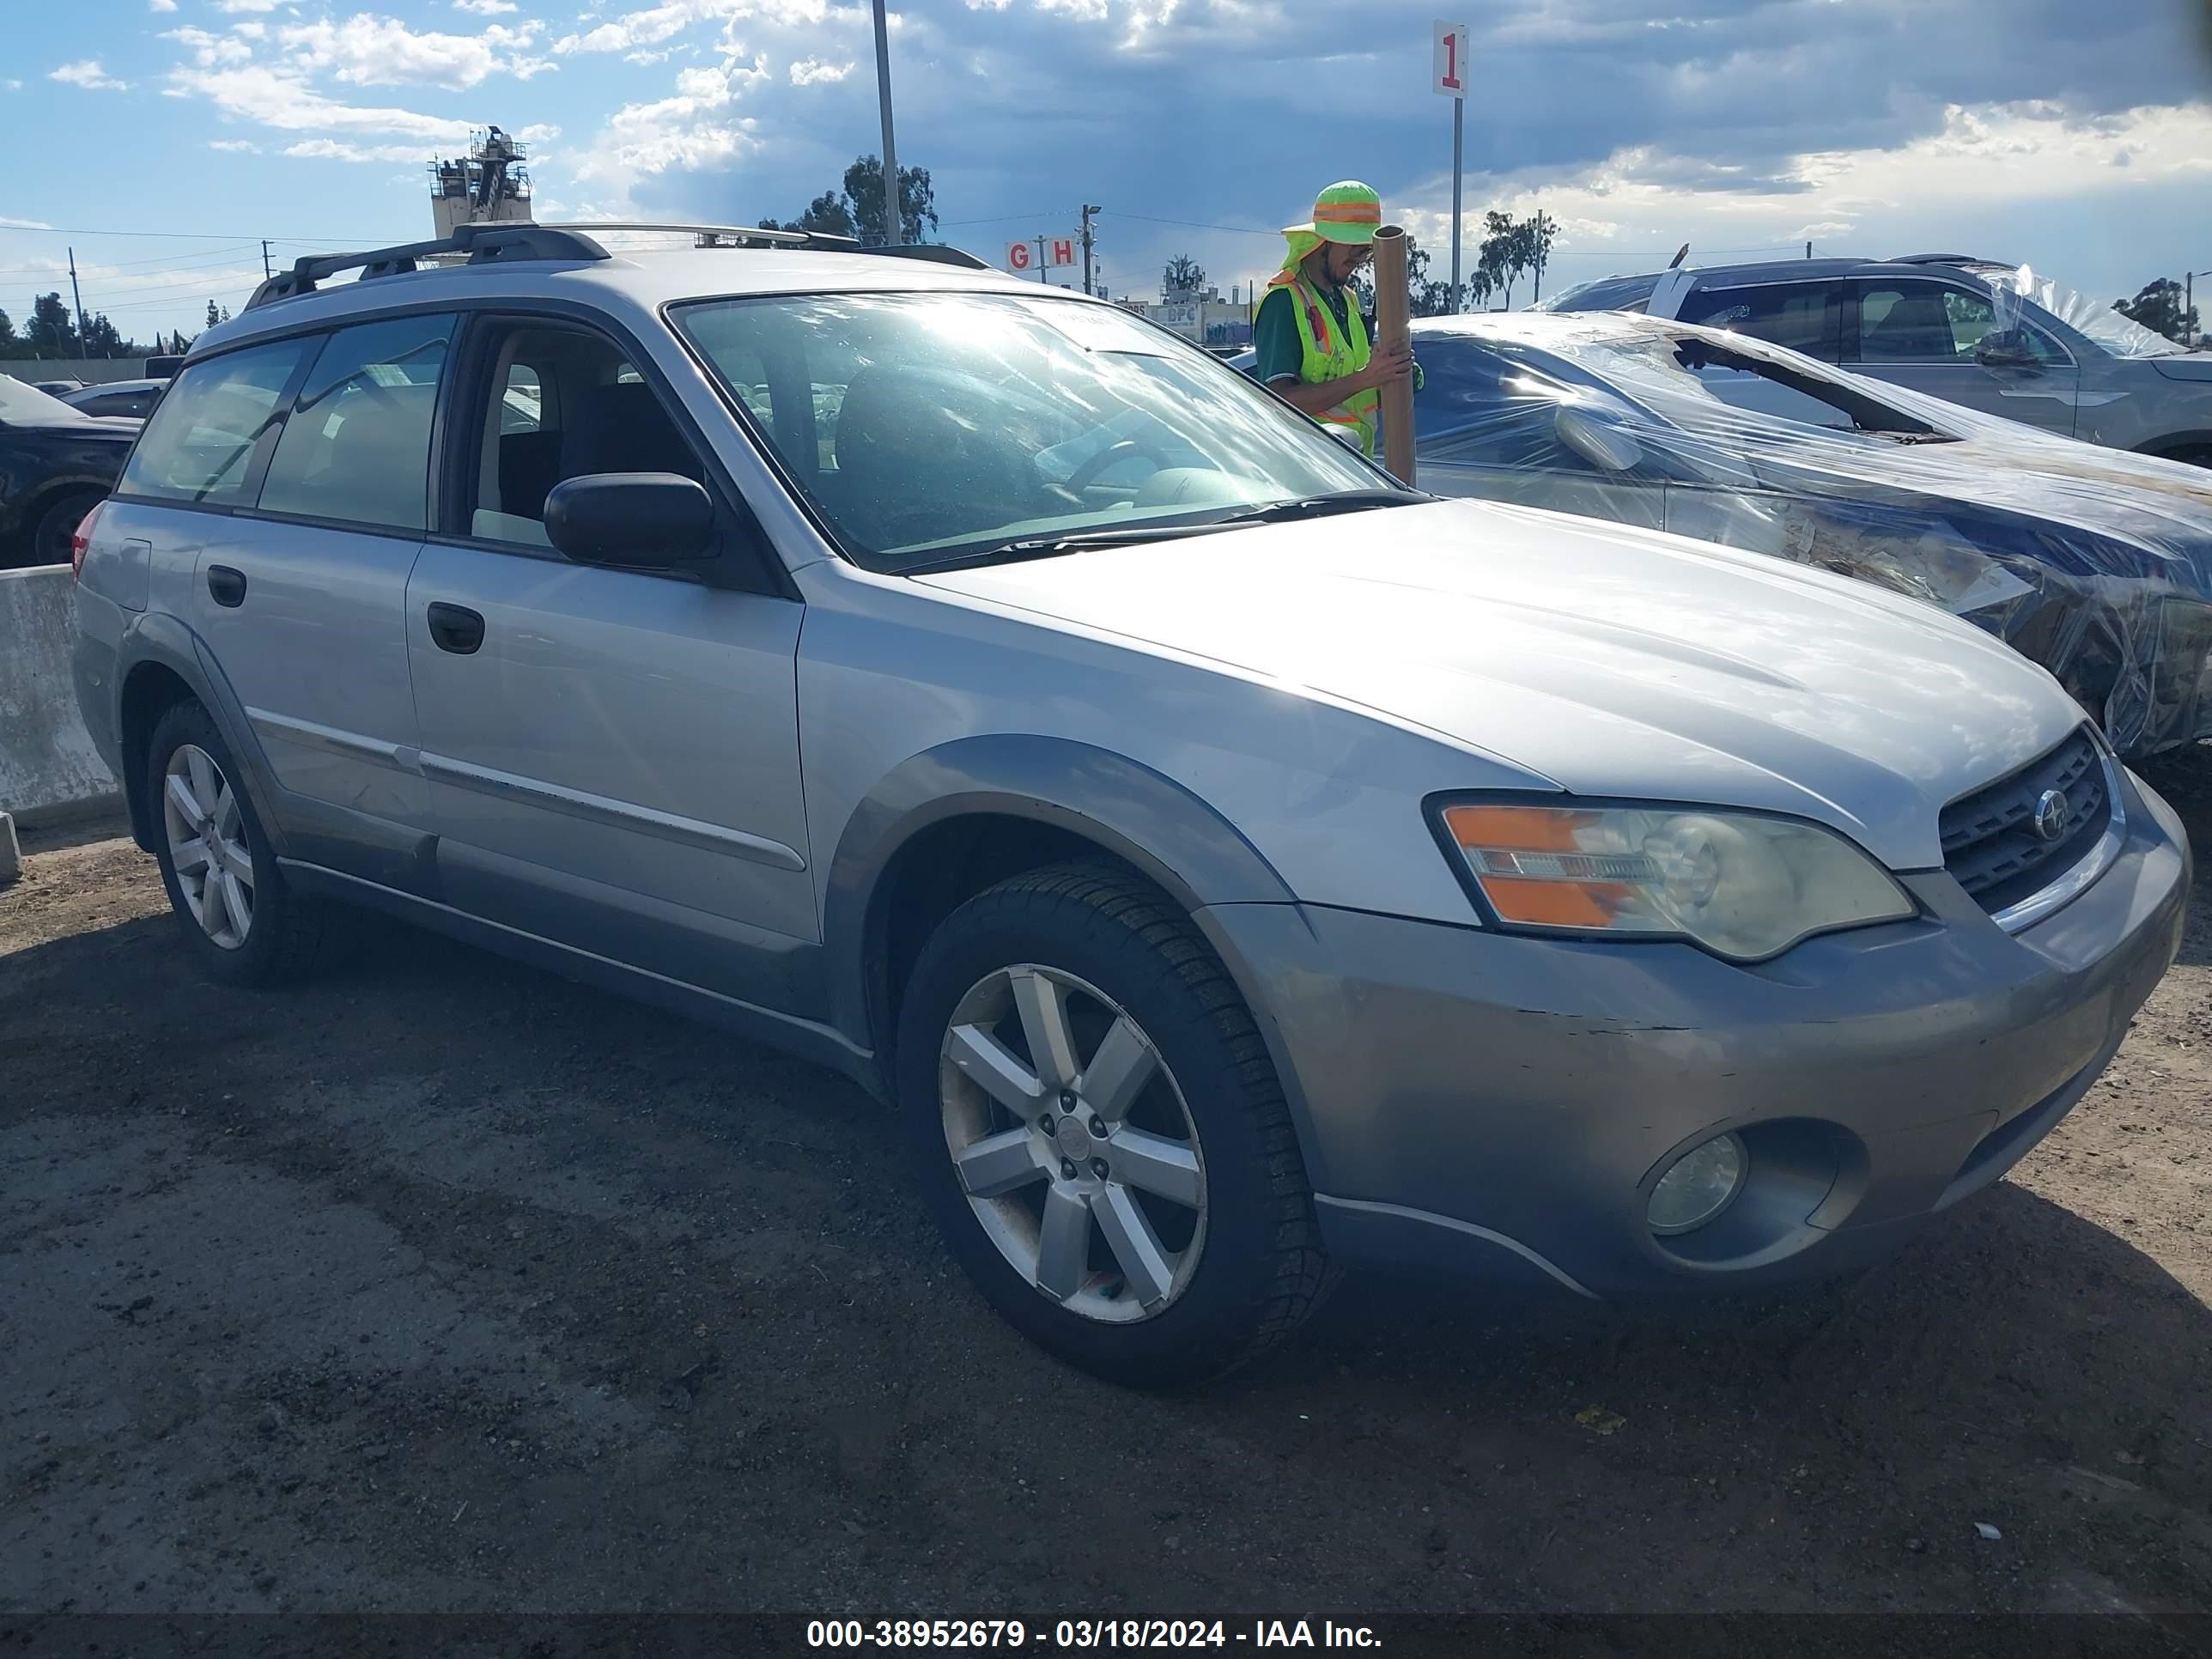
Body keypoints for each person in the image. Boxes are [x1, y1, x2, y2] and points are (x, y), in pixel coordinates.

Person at [1250, 180, 1415, 458]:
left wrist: (1393, 377)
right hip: (1307, 477)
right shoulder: (1284, 302)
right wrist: (1366, 378)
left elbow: (1352, 396)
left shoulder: (1347, 301)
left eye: (1366, 247)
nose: (1361, 257)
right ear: (1323, 241)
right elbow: (1280, 401)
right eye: (1354, 245)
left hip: (1353, 469)